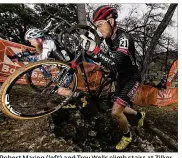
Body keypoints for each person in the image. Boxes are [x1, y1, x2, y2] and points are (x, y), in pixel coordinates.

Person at [80, 5, 146, 151]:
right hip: (119, 77)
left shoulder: (124, 39)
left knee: (116, 112)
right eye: (96, 26)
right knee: (120, 105)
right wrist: (95, 54)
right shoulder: (109, 39)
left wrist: (95, 50)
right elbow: (110, 59)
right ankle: (140, 115)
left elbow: (116, 64)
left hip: (131, 78)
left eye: (100, 25)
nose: (98, 29)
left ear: (111, 21)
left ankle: (127, 136)